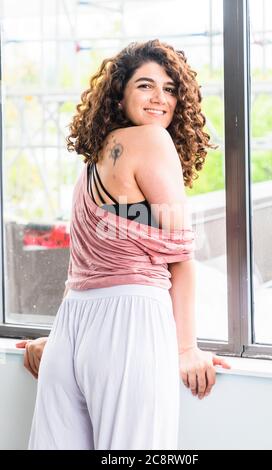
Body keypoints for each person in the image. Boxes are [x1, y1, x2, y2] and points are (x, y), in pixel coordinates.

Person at [16, 39, 231, 450]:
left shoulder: (93, 161)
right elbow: (181, 254)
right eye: (145, 86)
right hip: (129, 324)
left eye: (169, 89)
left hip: (72, 328)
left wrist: (58, 335)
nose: (160, 99)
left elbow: (82, 262)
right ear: (120, 93)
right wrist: (187, 349)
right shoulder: (150, 140)